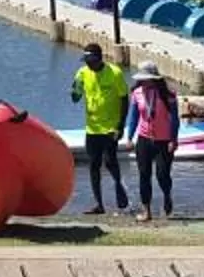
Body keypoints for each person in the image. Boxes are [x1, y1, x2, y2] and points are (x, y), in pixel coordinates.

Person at [69, 41, 131, 215]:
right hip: (92, 128)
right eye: (86, 61)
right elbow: (75, 98)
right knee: (94, 165)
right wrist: (74, 92)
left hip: (111, 127)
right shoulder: (82, 73)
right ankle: (99, 204)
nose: (88, 64)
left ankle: (119, 186)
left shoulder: (114, 73)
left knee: (110, 161)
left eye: (91, 61)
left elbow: (124, 99)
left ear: (99, 58)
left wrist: (120, 126)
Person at [127, 60, 182, 223]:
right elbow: (134, 117)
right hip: (144, 139)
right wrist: (129, 137)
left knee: (162, 174)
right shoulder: (137, 93)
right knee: (144, 175)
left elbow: (174, 119)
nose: (143, 82)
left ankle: (167, 195)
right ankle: (147, 210)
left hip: (163, 141)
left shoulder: (168, 95)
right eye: (141, 79)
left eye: (146, 79)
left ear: (153, 78)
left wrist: (173, 139)